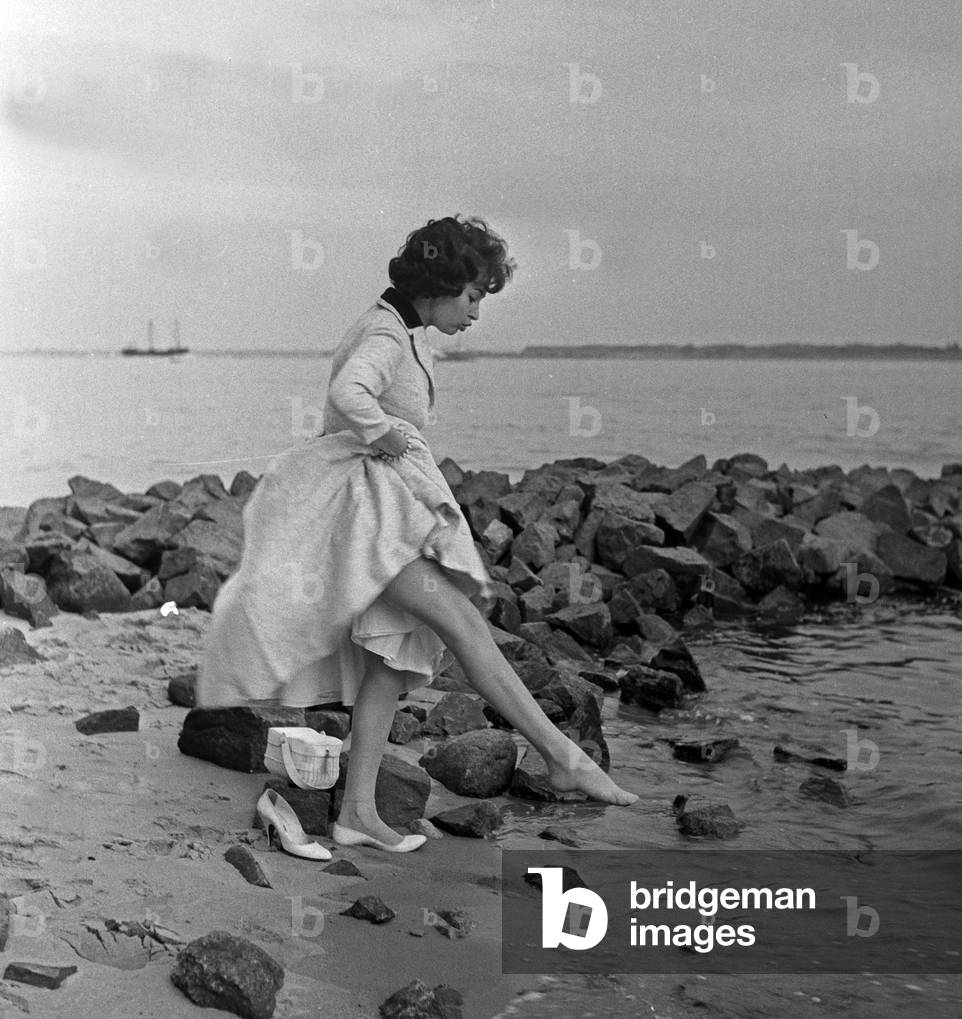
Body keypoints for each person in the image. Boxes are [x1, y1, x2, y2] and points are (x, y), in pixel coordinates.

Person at [196, 215, 637, 856]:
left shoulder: (400, 327)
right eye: (473, 296)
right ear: (442, 283)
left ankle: (356, 813)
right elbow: (349, 392)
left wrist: (387, 438)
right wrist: (383, 435)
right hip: (367, 525)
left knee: (391, 658)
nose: (477, 313)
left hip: (379, 517)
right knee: (464, 624)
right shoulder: (385, 332)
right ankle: (563, 757)